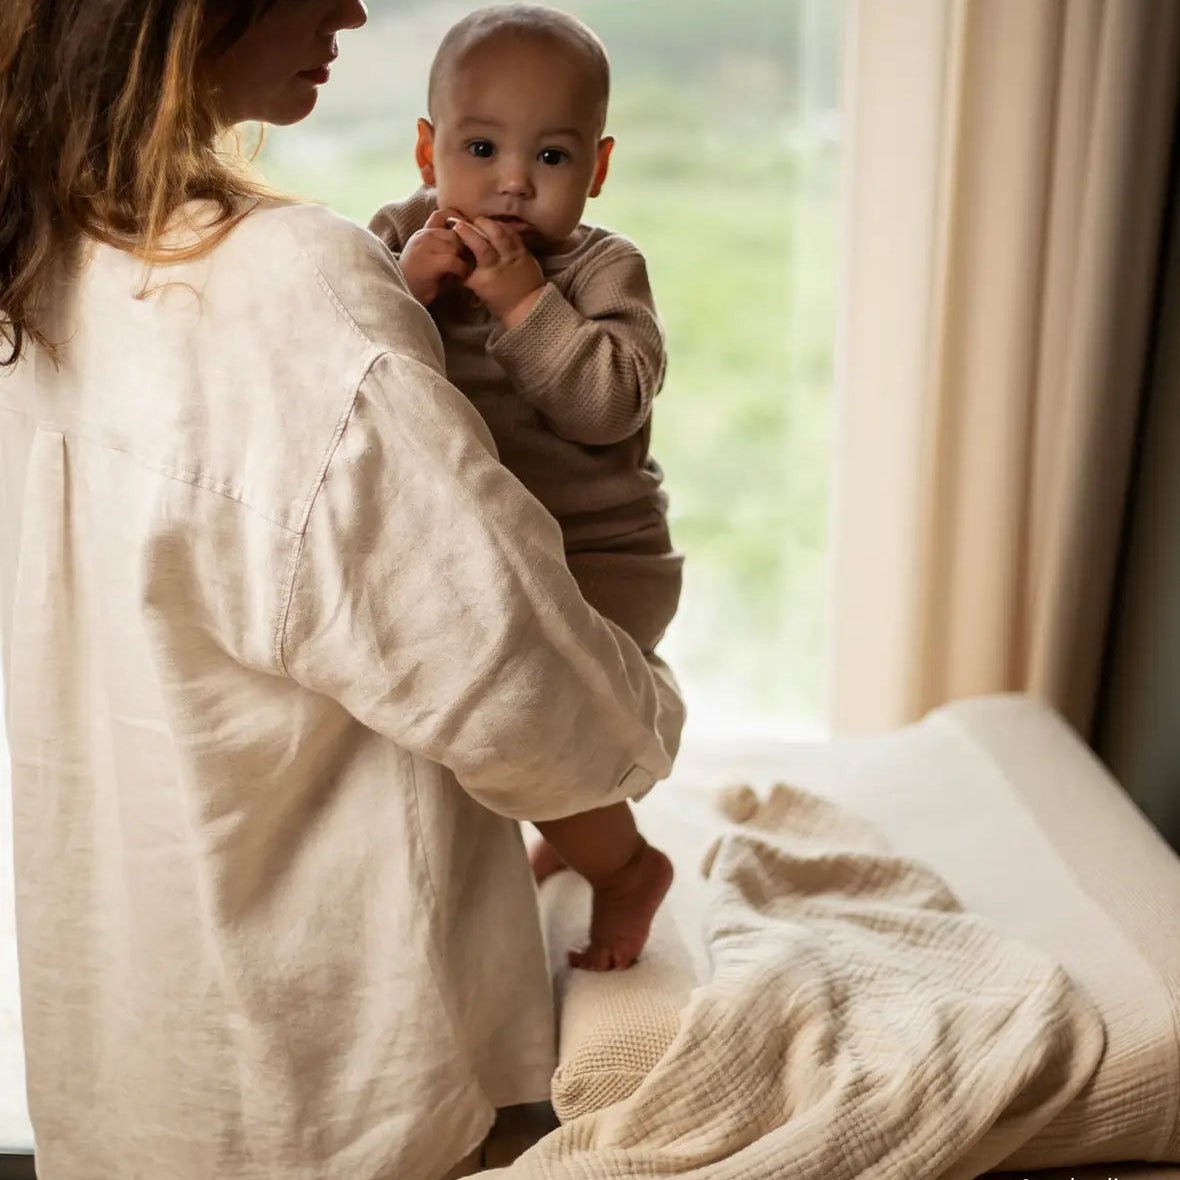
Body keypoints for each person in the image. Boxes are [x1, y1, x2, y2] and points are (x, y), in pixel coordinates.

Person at [0, 3, 684, 1179]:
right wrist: (639, 732)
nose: (355, 7)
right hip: (341, 1058)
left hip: (131, 1019)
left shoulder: (43, 252)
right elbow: (503, 667)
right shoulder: (291, 286)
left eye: (553, 154)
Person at [369, 5, 683, 973]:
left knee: (521, 722)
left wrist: (523, 304)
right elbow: (350, 375)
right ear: (428, 151)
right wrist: (401, 293)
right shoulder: (395, 238)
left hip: (599, 560)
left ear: (596, 170)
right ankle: (578, 818)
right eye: (479, 146)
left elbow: (609, 403)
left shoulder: (599, 267)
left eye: (551, 157)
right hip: (487, 556)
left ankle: (625, 867)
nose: (512, 181)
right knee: (490, 723)